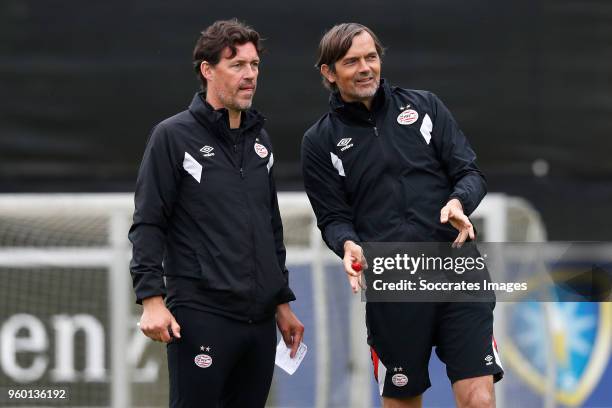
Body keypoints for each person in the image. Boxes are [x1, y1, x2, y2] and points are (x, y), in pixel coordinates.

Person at [301, 23, 503, 408]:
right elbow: (332, 217)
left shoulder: (424, 106)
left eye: (371, 57)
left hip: (457, 271)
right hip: (392, 285)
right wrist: (347, 244)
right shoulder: (319, 141)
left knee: (479, 399)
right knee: (403, 401)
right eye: (351, 61)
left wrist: (459, 202)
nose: (365, 68)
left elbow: (469, 173)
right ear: (328, 72)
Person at [128, 19, 304, 408]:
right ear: (208, 70)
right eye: (237, 65)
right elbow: (148, 221)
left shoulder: (260, 140)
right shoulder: (172, 136)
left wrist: (281, 304)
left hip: (259, 323)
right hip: (202, 314)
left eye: (254, 65)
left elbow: (269, 227)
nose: (250, 75)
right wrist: (151, 298)